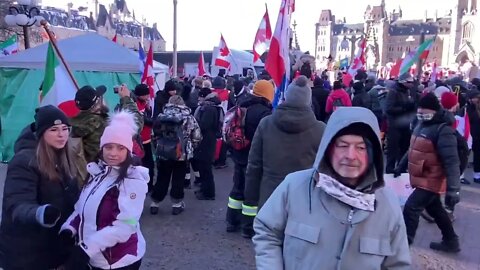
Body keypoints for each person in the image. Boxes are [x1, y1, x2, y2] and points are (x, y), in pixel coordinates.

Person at [253, 107, 411, 269]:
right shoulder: (295, 186)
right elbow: (267, 232)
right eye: (342, 145)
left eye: (361, 147)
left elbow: (397, 264)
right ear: (328, 149)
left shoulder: (388, 204)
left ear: (373, 154)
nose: (350, 155)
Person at [62, 111, 149, 270]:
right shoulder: (97, 173)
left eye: (120, 148)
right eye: (108, 147)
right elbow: (81, 209)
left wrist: (86, 248)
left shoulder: (132, 181)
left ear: (128, 151)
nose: (113, 153)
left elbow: (126, 226)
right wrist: (69, 228)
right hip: (96, 258)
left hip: (119, 261)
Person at [243, 76, 326, 239]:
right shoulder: (320, 130)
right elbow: (325, 173)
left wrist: (251, 200)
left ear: (286, 97)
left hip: (269, 199)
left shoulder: (266, 124)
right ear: (308, 101)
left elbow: (253, 166)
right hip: (305, 203)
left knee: (269, 252)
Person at [0, 105, 79, 270]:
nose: (61, 134)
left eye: (65, 129)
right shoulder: (25, 161)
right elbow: (17, 203)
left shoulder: (64, 156)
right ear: (41, 132)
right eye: (54, 129)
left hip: (54, 246)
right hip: (26, 251)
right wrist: (40, 213)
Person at [401, 93, 461, 252]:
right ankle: (451, 241)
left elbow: (452, 161)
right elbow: (414, 147)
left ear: (435, 111)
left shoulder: (443, 130)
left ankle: (404, 245)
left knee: (411, 207)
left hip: (432, 178)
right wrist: (401, 165)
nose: (421, 116)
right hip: (423, 176)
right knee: (436, 209)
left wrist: (453, 189)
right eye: (419, 113)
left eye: (425, 113)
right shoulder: (420, 125)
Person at [225, 79, 274, 235]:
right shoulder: (264, 113)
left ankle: (232, 221)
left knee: (237, 188)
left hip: (238, 151)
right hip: (253, 156)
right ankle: (248, 227)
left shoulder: (242, 104)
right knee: (251, 192)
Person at [150, 96, 202, 215]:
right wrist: (190, 148)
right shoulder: (189, 117)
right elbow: (197, 136)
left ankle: (155, 203)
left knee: (162, 177)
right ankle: (176, 205)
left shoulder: (161, 116)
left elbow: (153, 135)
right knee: (178, 178)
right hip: (181, 153)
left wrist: (157, 148)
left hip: (163, 152)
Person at [193, 88, 222, 200]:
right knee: (203, 167)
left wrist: (195, 124)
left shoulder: (209, 108)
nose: (199, 98)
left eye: (200, 96)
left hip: (206, 141)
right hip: (207, 141)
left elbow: (204, 125)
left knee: (206, 168)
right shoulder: (212, 107)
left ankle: (209, 193)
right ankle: (204, 189)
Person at [385, 73, 417, 173]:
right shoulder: (393, 92)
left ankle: (401, 170)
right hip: (394, 125)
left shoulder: (408, 92)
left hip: (405, 124)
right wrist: (403, 108)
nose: (411, 84)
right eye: (409, 82)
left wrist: (411, 108)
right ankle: (389, 172)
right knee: (393, 150)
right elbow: (389, 108)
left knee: (404, 149)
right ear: (403, 82)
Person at [70, 85, 109, 164]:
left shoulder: (73, 122)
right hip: (100, 170)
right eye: (101, 97)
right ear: (97, 102)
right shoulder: (100, 123)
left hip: (83, 171)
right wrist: (126, 99)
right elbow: (135, 127)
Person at [134, 84, 155, 192]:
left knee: (149, 164)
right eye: (146, 94)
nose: (148, 96)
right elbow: (144, 120)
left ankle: (149, 185)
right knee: (142, 164)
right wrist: (155, 122)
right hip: (139, 140)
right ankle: (144, 186)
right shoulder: (135, 105)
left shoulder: (145, 103)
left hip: (147, 138)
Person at [466, 89, 480, 184]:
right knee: (465, 155)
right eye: (475, 97)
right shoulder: (467, 109)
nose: (476, 99)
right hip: (470, 135)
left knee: (478, 156)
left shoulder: (477, 108)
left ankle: (477, 175)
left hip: (478, 136)